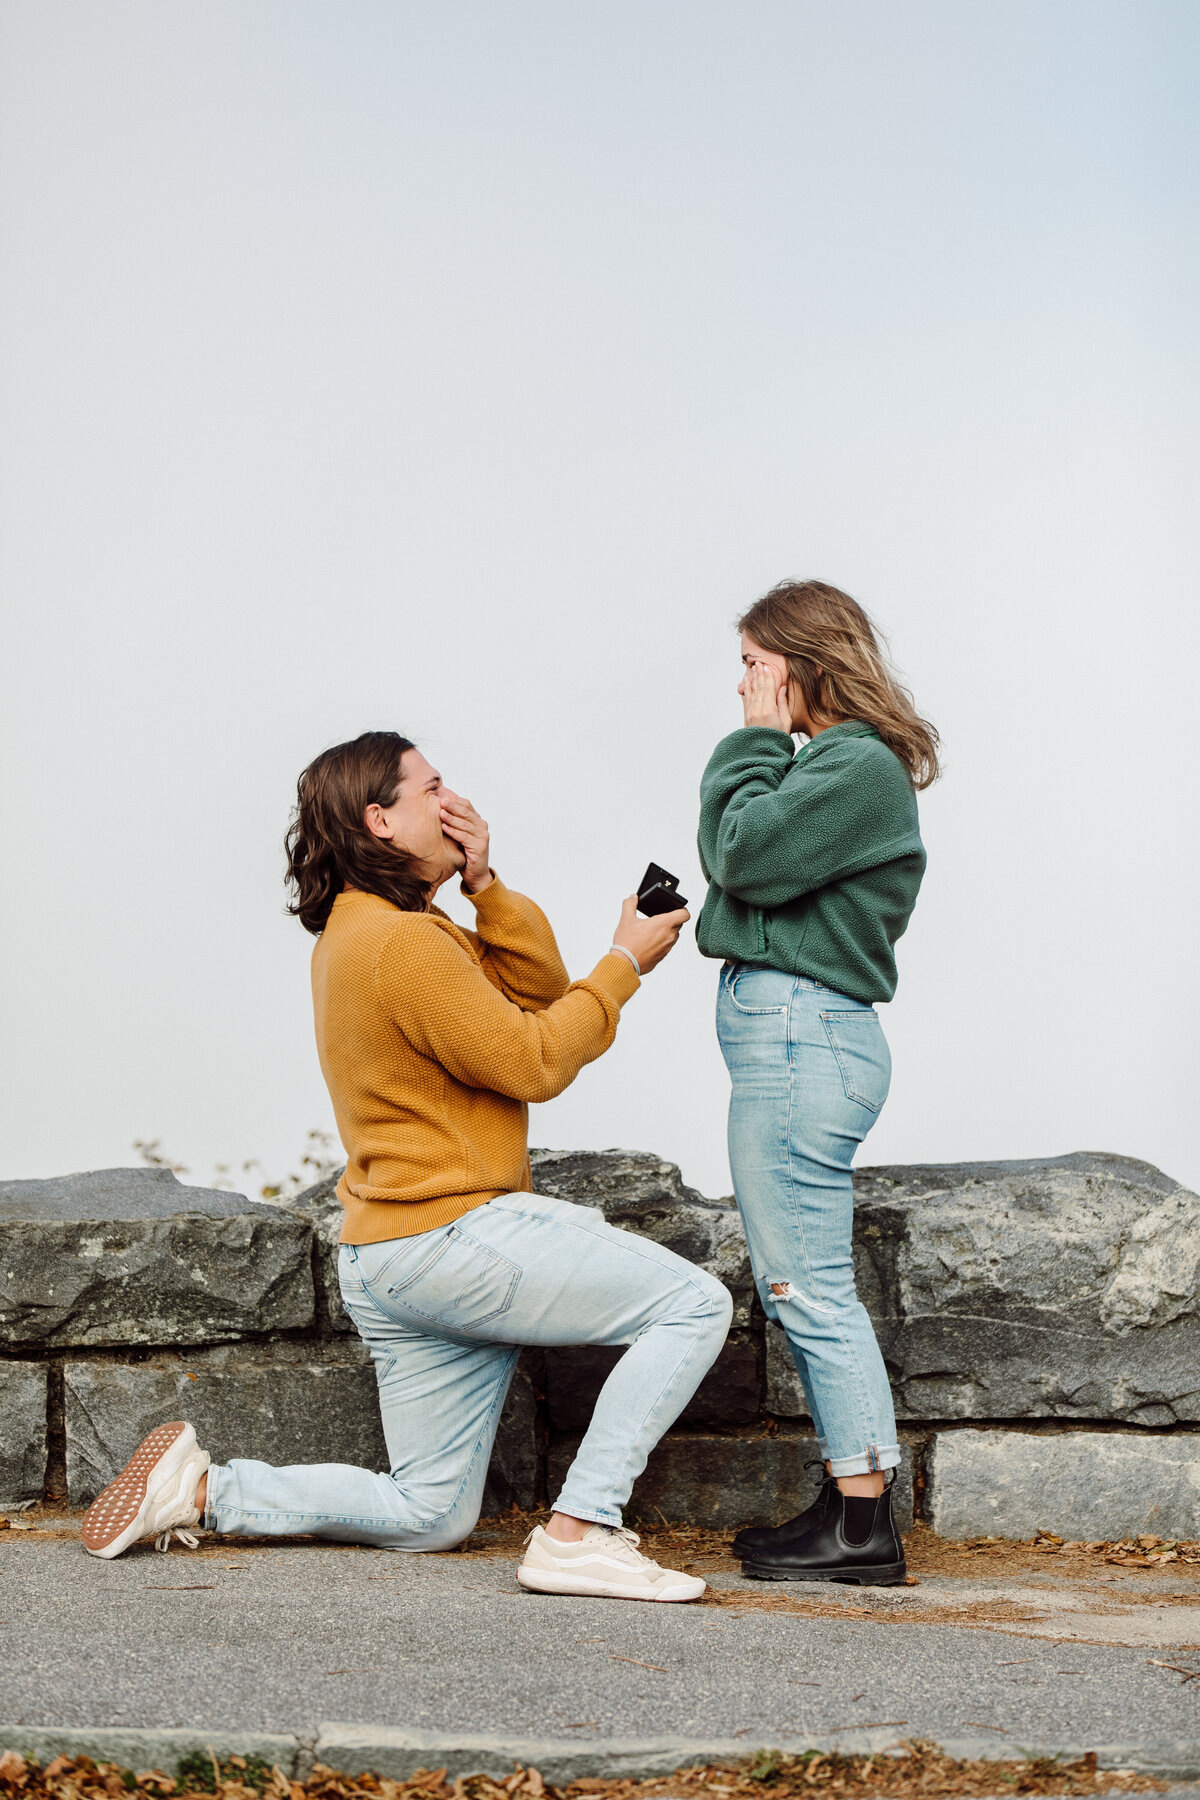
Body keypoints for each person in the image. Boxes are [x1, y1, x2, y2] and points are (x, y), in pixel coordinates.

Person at [81, 730, 730, 1602]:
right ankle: (582, 1530)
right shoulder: (403, 946)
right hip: (456, 1233)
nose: (453, 800)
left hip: (390, 1257)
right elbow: (536, 1057)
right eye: (433, 788)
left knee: (429, 1511)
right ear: (380, 819)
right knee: (693, 1304)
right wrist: (624, 966)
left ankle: (204, 1490)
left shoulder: (377, 932)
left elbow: (536, 989)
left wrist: (485, 884)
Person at [696, 580, 939, 1585]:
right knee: (798, 1281)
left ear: (799, 662)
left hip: (805, 1041)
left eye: (754, 663)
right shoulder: (835, 765)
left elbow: (742, 853)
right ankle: (850, 1494)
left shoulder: (852, 764)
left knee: (809, 1286)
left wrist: (750, 742)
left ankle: (863, 1523)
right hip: (796, 1040)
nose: (742, 684)